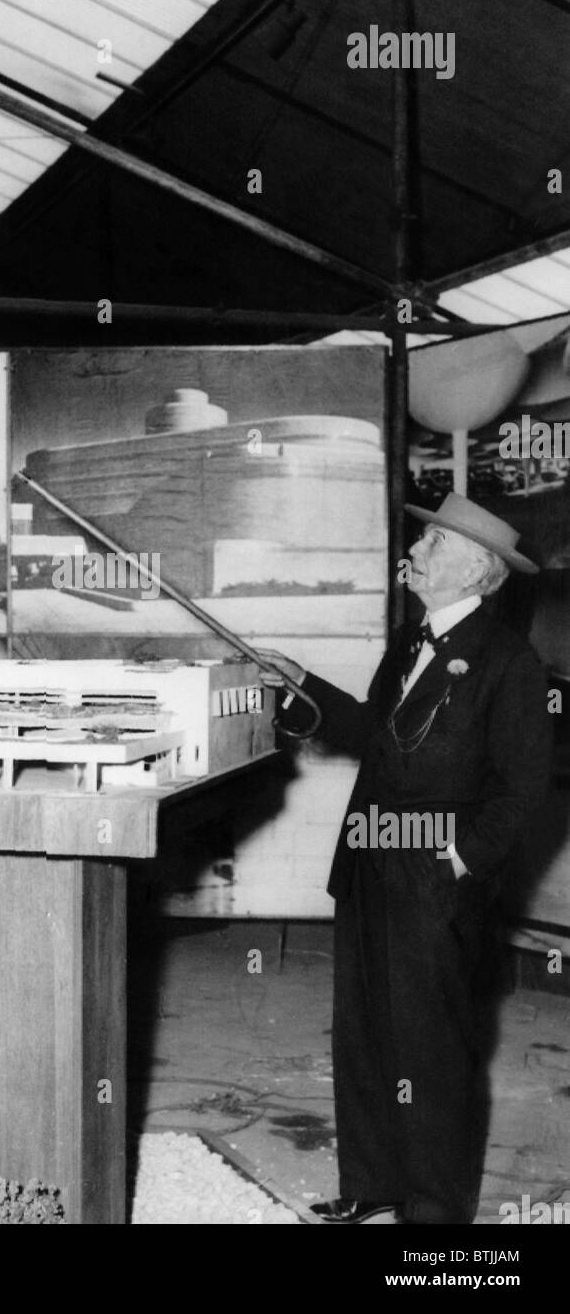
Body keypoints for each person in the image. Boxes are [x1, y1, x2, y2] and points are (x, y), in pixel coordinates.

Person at [257, 493, 553, 1226]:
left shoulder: (510, 665)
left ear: (475, 570)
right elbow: (373, 736)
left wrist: (453, 861)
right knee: (363, 1032)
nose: (413, 552)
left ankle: (432, 1214)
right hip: (367, 863)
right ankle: (373, 1182)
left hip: (432, 880)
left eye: (431, 545)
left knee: (430, 1047)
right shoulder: (406, 642)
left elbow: (521, 793)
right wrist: (301, 688)